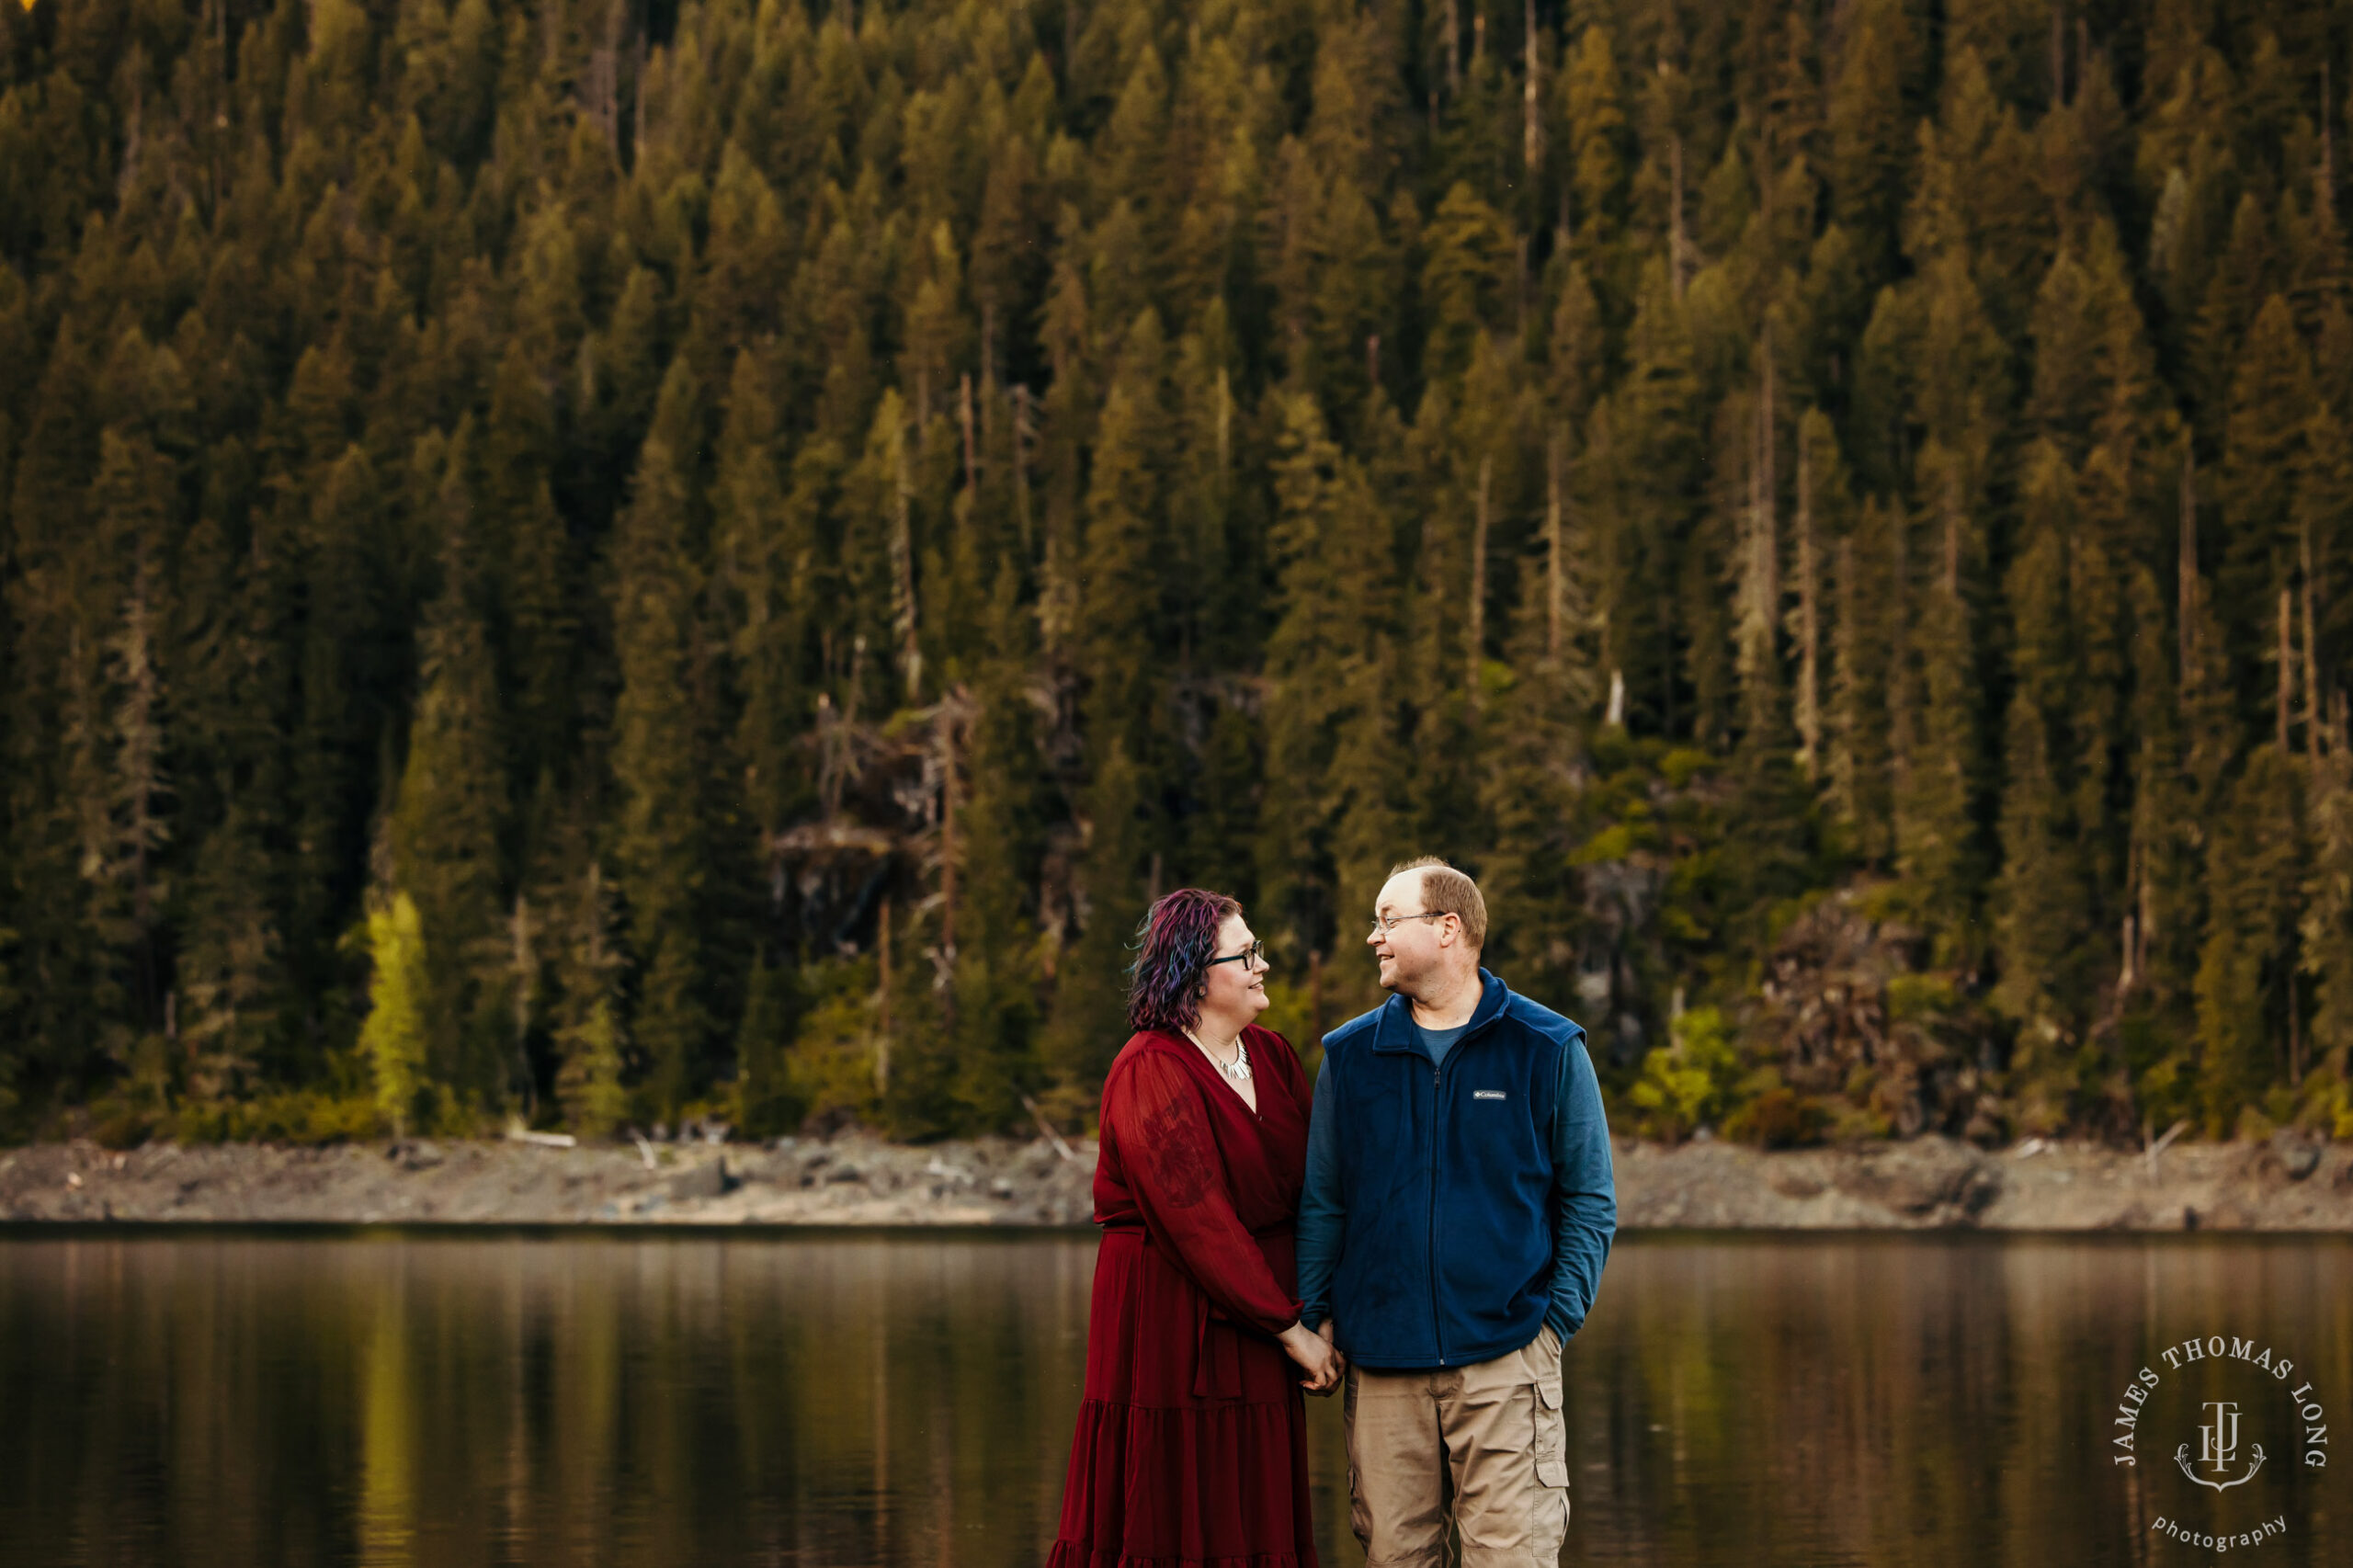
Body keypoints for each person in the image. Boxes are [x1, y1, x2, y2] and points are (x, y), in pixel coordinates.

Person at [1296, 857, 1616, 1568]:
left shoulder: (1547, 1046)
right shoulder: (1350, 1056)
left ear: (1448, 928)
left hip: (1508, 1360)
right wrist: (1315, 1309)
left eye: (1387, 920)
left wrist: (1553, 1324)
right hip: (1381, 1366)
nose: (1372, 937)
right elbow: (1325, 1201)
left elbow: (1590, 1201)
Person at [1047, 888, 1343, 1568]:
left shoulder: (1272, 1057)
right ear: (1194, 974)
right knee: (1168, 1508)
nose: (1262, 965)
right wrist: (1291, 1330)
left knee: (1250, 1511)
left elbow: (1317, 1196)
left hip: (1264, 1314)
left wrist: (1319, 1309)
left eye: (1258, 951)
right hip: (1169, 1319)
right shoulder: (1149, 1066)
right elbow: (1195, 1218)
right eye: (1246, 955)